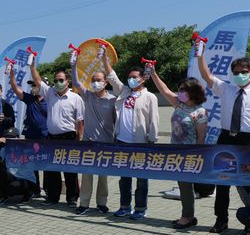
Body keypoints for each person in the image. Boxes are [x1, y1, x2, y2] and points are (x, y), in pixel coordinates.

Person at [198, 54, 250, 234]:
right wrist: (200, 54)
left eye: (244, 72)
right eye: (236, 72)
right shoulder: (226, 89)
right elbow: (206, 75)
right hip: (226, 139)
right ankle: (221, 220)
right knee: (222, 182)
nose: (239, 75)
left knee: (248, 183)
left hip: (247, 141)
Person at [150, 67, 208, 229]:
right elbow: (163, 89)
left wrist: (198, 157)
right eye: (180, 89)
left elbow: (201, 137)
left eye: (183, 90)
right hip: (175, 153)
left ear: (193, 92)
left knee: (186, 186)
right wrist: (154, 73)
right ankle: (188, 215)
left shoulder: (200, 112)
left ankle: (187, 217)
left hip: (189, 155)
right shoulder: (179, 104)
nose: (180, 92)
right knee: (183, 186)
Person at [103, 55, 159, 220]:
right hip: (122, 141)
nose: (131, 80)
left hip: (141, 143)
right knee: (124, 178)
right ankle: (125, 206)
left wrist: (152, 141)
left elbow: (154, 120)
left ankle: (140, 208)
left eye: (134, 77)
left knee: (141, 179)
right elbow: (112, 77)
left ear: (143, 79)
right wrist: (105, 58)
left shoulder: (150, 97)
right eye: (129, 77)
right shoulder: (124, 92)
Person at [30, 63, 84, 206]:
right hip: (52, 138)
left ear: (68, 82)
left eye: (61, 80)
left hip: (69, 137)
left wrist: (79, 139)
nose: (58, 83)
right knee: (52, 169)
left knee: (69, 169)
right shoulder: (50, 94)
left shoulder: (75, 98)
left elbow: (80, 121)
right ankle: (53, 197)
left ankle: (72, 198)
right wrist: (32, 66)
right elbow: (38, 81)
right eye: (56, 80)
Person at [70, 62, 116, 215]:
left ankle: (101, 203)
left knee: (103, 176)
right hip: (88, 143)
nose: (96, 82)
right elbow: (76, 82)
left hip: (106, 143)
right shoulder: (88, 96)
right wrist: (73, 65)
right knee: (87, 174)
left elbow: (117, 121)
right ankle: (83, 204)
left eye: (99, 80)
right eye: (93, 80)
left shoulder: (113, 100)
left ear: (106, 82)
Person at [8, 68, 48, 193]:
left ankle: (48, 190)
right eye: (32, 85)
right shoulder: (30, 98)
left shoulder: (50, 99)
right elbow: (15, 89)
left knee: (47, 165)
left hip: (46, 137)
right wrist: (12, 76)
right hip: (30, 136)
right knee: (32, 164)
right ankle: (34, 190)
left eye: (35, 85)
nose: (33, 87)